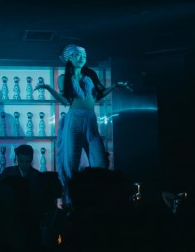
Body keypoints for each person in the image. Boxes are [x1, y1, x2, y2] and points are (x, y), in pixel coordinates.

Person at [35, 44, 129, 204]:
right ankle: (72, 201)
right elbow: (65, 100)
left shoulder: (90, 75)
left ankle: (98, 198)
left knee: (100, 161)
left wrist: (114, 86)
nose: (82, 58)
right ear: (69, 58)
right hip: (75, 119)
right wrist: (48, 88)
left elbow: (98, 95)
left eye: (84, 55)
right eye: (78, 55)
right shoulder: (63, 78)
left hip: (91, 119)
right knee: (71, 162)